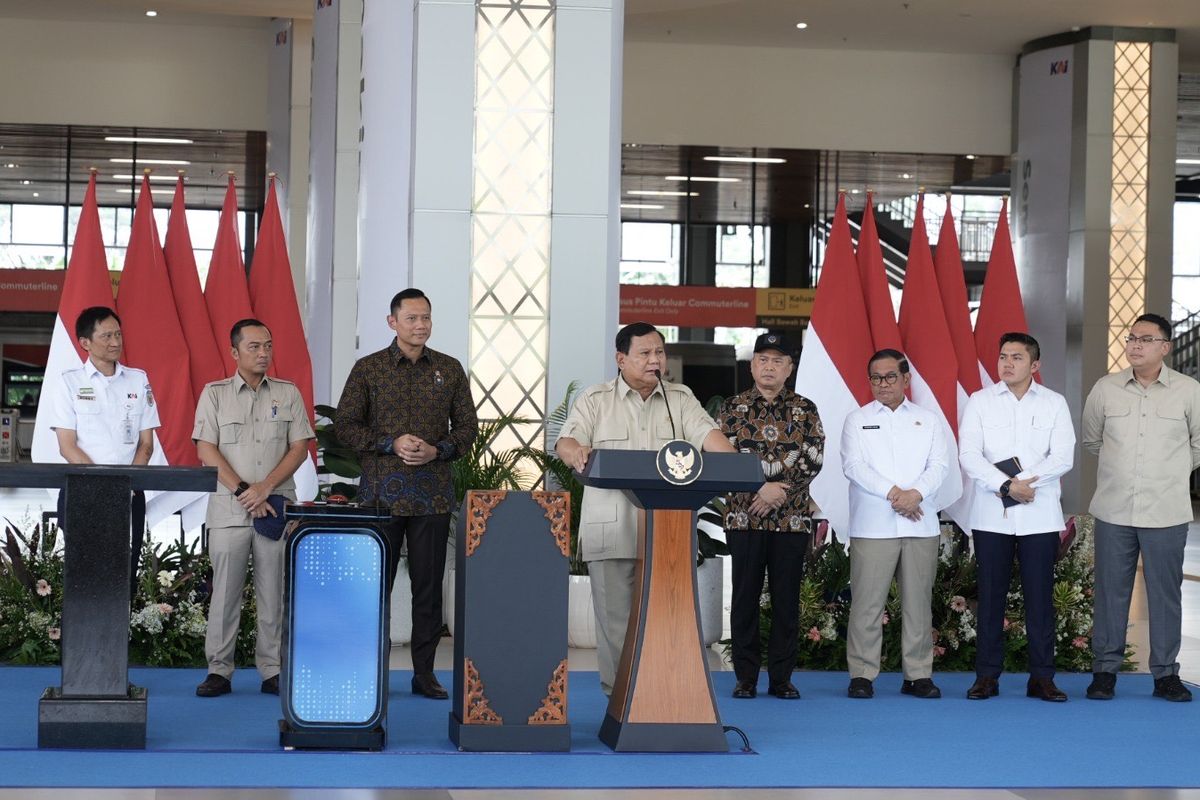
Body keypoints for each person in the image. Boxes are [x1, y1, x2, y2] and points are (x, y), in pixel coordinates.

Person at [555, 321, 734, 696]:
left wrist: (732, 461)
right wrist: (575, 452)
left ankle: (664, 700)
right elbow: (567, 441)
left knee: (668, 622)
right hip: (612, 529)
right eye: (645, 354)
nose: (655, 361)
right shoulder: (595, 399)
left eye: (660, 353)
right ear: (621, 359)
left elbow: (708, 437)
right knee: (617, 624)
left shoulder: (680, 399)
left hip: (666, 535)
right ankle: (620, 701)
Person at [335, 288, 478, 700]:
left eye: (426, 318)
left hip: (431, 497)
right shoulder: (369, 369)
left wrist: (439, 449)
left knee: (428, 590)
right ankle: (369, 669)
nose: (421, 326)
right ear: (392, 322)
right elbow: (345, 425)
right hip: (380, 498)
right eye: (412, 318)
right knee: (371, 588)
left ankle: (424, 673)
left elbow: (468, 427)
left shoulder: (449, 370)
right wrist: (389, 443)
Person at [192, 319, 314, 697]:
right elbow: (205, 449)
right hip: (231, 507)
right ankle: (219, 670)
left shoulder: (287, 392)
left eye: (268, 346)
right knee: (225, 590)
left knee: (273, 590)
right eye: (254, 347)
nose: (263, 353)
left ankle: (272, 669)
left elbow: (299, 447)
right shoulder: (215, 394)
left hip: (274, 506)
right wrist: (246, 490)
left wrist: (264, 488)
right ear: (235, 352)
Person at [1083, 312, 1200, 703]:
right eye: (1131, 337)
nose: (1134, 344)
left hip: (1166, 511)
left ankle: (1165, 674)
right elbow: (1092, 441)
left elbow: (1198, 445)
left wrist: (1167, 472)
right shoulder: (1106, 388)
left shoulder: (1188, 391)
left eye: (1145, 339)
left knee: (1165, 593)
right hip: (1114, 509)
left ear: (1165, 347)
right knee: (1110, 592)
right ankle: (1104, 672)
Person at [959, 332, 1075, 702]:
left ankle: (1041, 678)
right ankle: (987, 677)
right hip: (992, 515)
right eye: (1003, 356)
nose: (1007, 363)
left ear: (1035, 365)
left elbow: (1063, 457)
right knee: (990, 597)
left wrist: (1024, 485)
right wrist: (1007, 486)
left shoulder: (1055, 403)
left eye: (1017, 358)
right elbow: (969, 455)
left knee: (1039, 599)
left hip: (1039, 515)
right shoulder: (980, 402)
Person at [718, 332, 823, 700]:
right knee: (744, 599)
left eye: (778, 361)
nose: (769, 366)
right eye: (763, 359)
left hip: (790, 520)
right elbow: (722, 457)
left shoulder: (805, 409)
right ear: (752, 365)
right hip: (744, 517)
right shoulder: (732, 408)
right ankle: (745, 678)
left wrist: (779, 493)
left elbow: (813, 458)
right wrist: (758, 490)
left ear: (789, 368)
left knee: (786, 601)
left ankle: (782, 679)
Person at [840, 349, 948, 700]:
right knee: (867, 604)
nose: (882, 384)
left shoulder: (928, 419)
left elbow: (940, 466)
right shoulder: (856, 419)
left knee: (919, 604)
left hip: (920, 524)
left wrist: (915, 494)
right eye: (875, 377)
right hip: (874, 525)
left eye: (889, 376)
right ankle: (862, 674)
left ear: (906, 379)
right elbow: (854, 467)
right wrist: (895, 494)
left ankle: (917, 674)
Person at [46, 306, 159, 600]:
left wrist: (128, 485)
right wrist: (105, 484)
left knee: (126, 571)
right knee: (83, 574)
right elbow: (67, 445)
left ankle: (124, 640)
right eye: (106, 335)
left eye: (118, 334)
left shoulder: (138, 379)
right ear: (85, 342)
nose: (115, 342)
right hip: (83, 490)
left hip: (130, 492)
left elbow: (146, 443)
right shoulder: (69, 382)